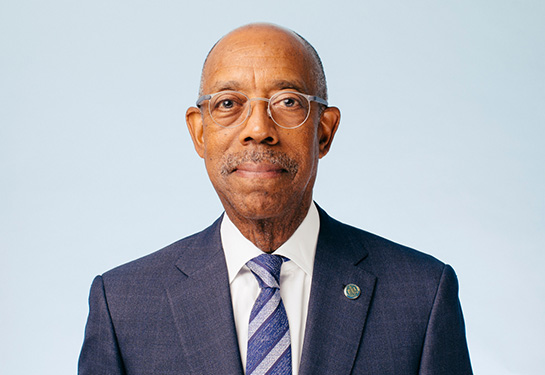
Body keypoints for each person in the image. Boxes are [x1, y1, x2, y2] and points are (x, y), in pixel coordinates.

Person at [78, 23, 472, 375]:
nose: (258, 129)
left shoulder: (421, 295)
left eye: (287, 102)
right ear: (200, 133)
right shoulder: (124, 306)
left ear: (324, 131)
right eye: (228, 103)